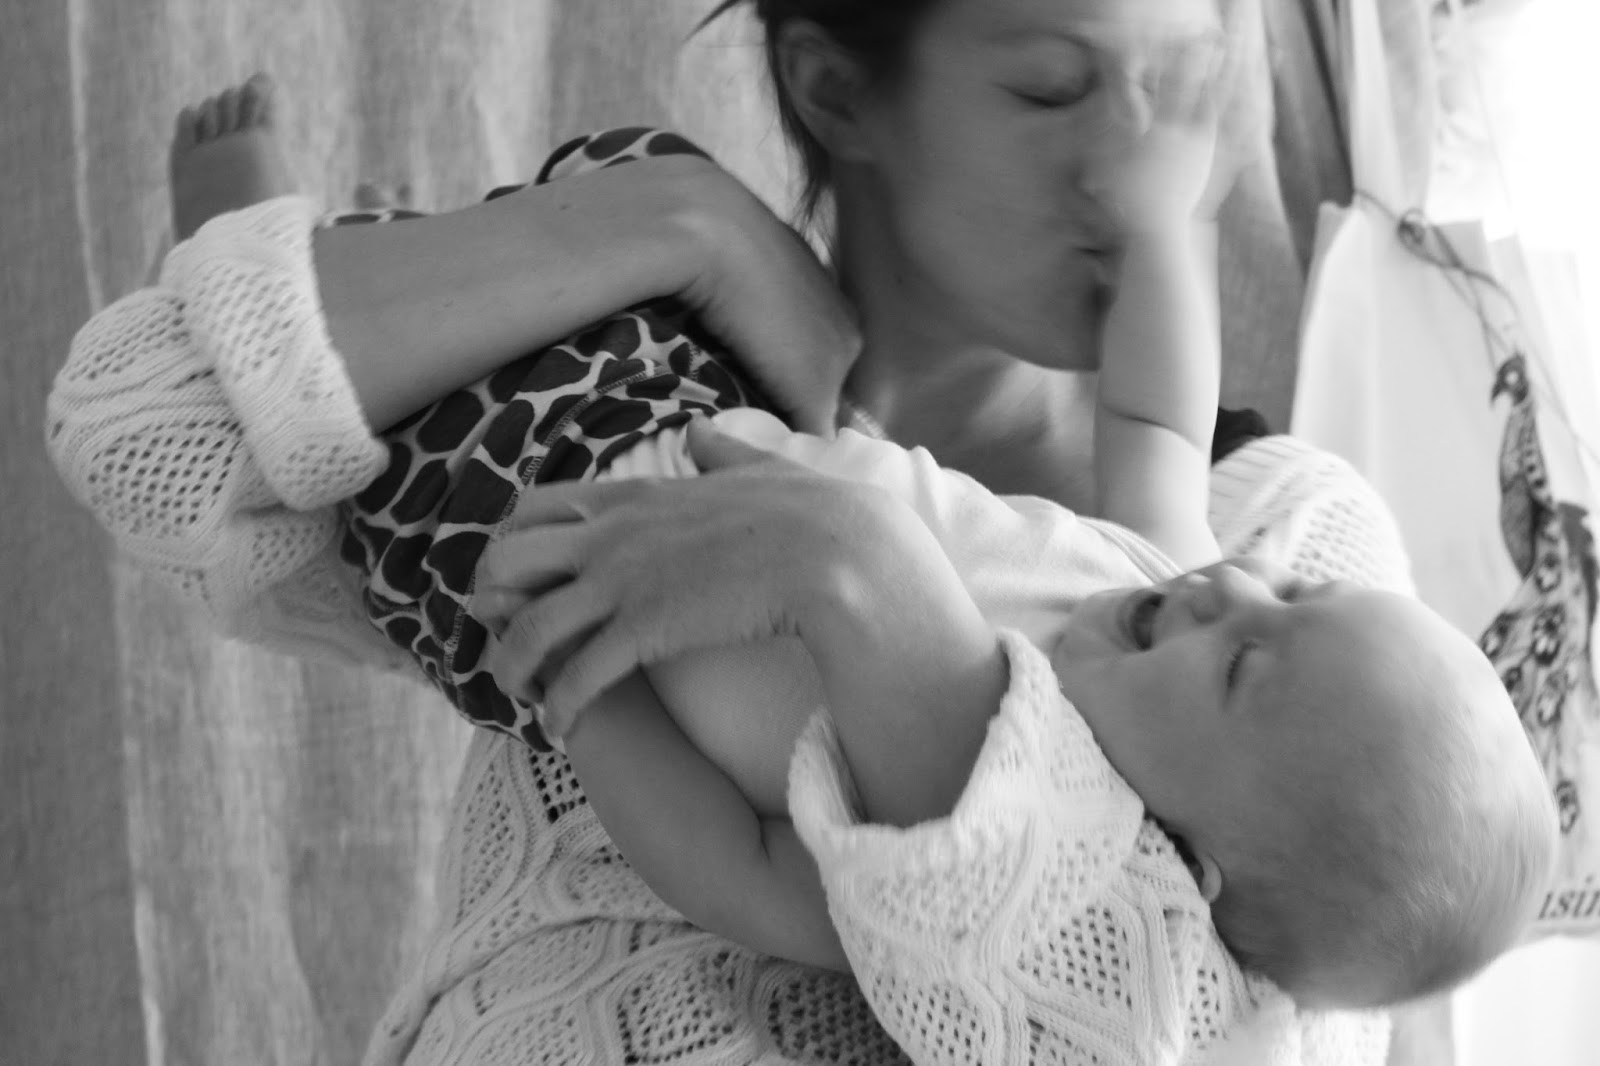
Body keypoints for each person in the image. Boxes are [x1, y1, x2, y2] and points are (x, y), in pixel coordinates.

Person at [41, 1, 1537, 1062]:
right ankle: (285, 233)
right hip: (676, 396)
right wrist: (678, 220)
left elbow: (1186, 1022)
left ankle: (280, 244)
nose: (1126, 155)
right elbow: (134, 427)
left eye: (1180, 78)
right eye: (1052, 88)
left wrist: (826, 579)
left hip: (529, 550)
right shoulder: (1183, 572)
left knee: (402, 480)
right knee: (431, 332)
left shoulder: (1300, 557)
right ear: (836, 91)